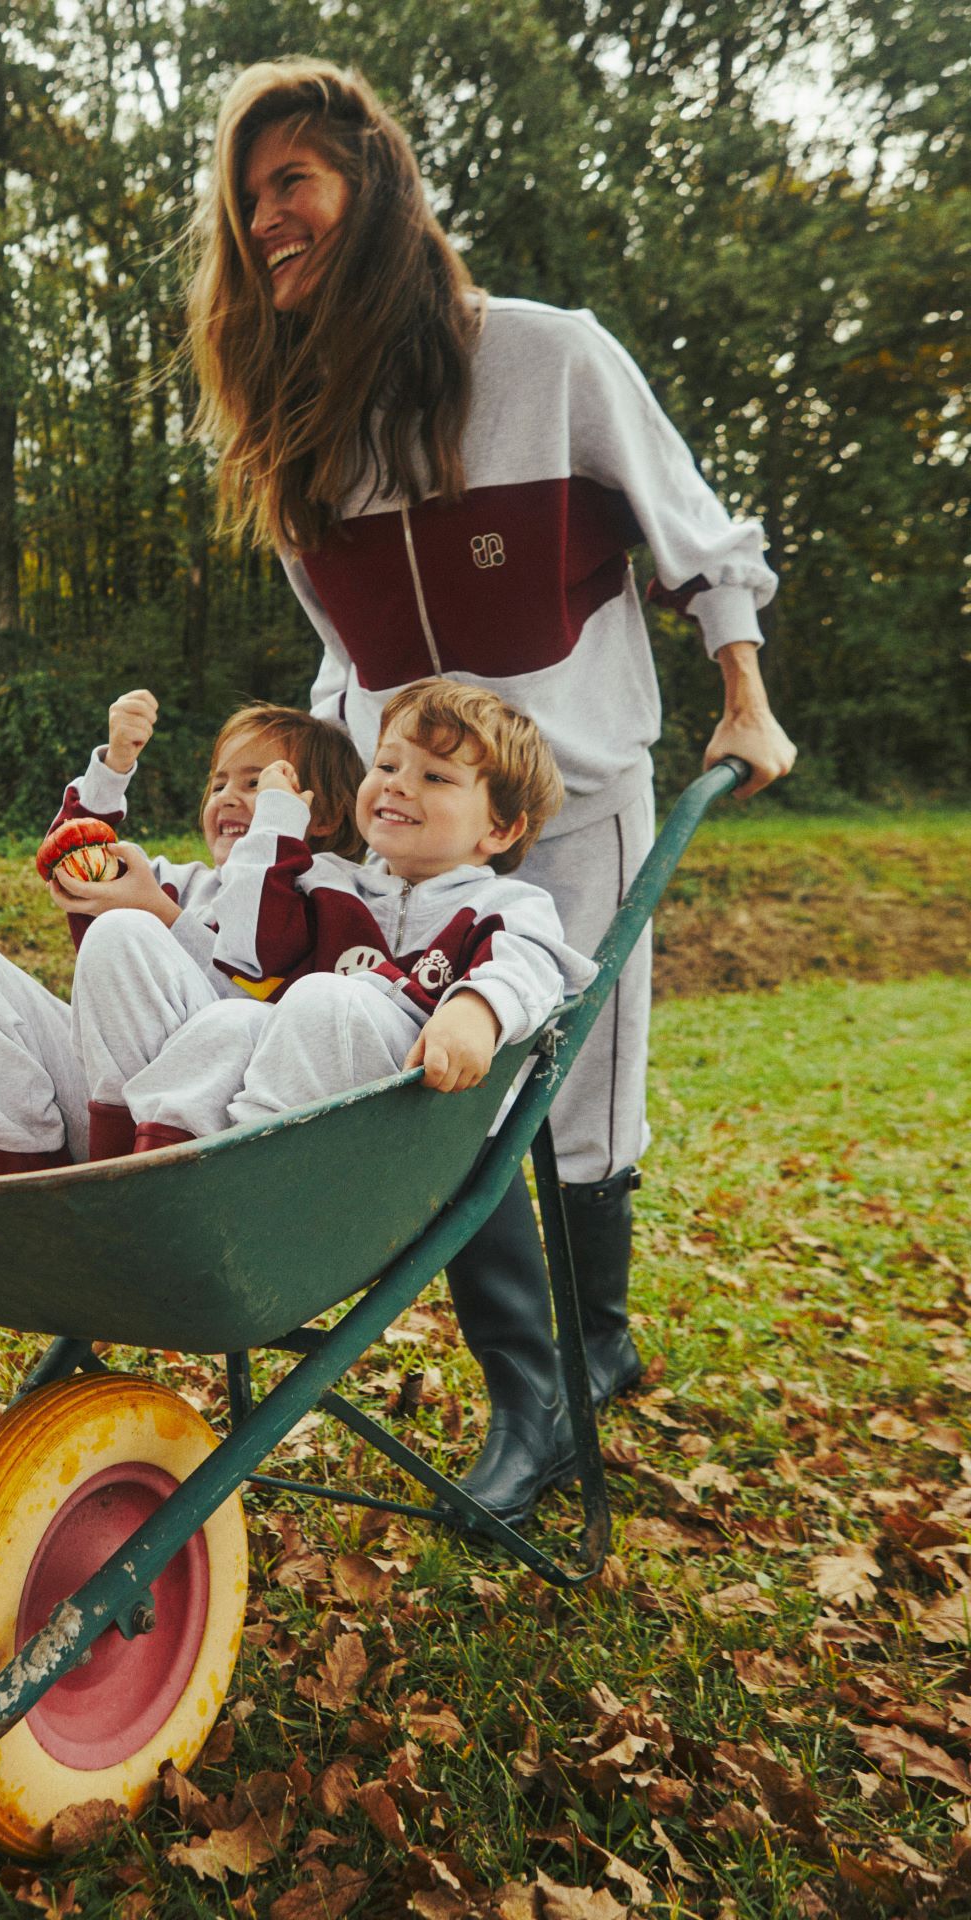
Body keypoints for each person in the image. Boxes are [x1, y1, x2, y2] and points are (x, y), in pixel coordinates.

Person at [185, 57, 797, 1523]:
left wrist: (746, 699)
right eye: (246, 198)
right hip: (410, 832)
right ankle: (539, 1393)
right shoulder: (301, 436)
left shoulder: (547, 360)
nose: (264, 220)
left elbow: (699, 540)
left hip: (572, 806)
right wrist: (318, 789)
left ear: (373, 188)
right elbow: (344, 660)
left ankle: (591, 1352)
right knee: (440, 1090)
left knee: (574, 1099)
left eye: (292, 182)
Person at [121, 682, 596, 1195]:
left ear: (500, 830)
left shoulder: (506, 905)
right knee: (230, 1021)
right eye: (387, 765)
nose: (397, 785)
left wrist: (477, 1008)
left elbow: (529, 964)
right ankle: (156, 1183)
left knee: (326, 994)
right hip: (318, 1099)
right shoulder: (327, 881)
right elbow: (249, 948)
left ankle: (247, 1181)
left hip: (423, 1111)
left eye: (435, 776)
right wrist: (274, 827)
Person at [0, 691, 365, 1173]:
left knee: (125, 929)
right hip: (108, 1113)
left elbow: (267, 1004)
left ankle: (117, 1191)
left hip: (209, 1128)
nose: (228, 796)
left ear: (322, 815)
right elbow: (71, 858)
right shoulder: (184, 883)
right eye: (218, 784)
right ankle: (29, 1185)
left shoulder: (329, 897)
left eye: (258, 783)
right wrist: (114, 768)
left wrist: (162, 914)